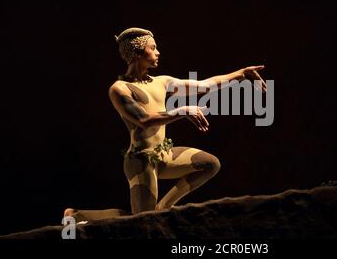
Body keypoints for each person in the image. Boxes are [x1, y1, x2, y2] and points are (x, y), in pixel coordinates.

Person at [65, 27, 267, 219]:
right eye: (152, 48)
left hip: (165, 155)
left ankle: (164, 208)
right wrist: (182, 111)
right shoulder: (119, 89)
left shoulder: (162, 82)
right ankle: (77, 216)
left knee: (210, 164)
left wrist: (241, 74)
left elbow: (205, 85)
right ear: (136, 52)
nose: (158, 52)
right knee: (141, 221)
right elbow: (144, 120)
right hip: (141, 161)